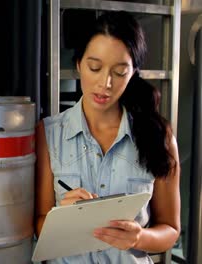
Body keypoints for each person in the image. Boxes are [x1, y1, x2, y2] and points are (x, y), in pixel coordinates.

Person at [34, 11, 180, 263]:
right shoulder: (48, 133)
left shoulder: (159, 134)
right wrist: (63, 218)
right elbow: (38, 224)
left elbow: (170, 230)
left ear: (133, 72)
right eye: (95, 67)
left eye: (120, 72)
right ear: (79, 63)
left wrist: (138, 238)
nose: (105, 82)